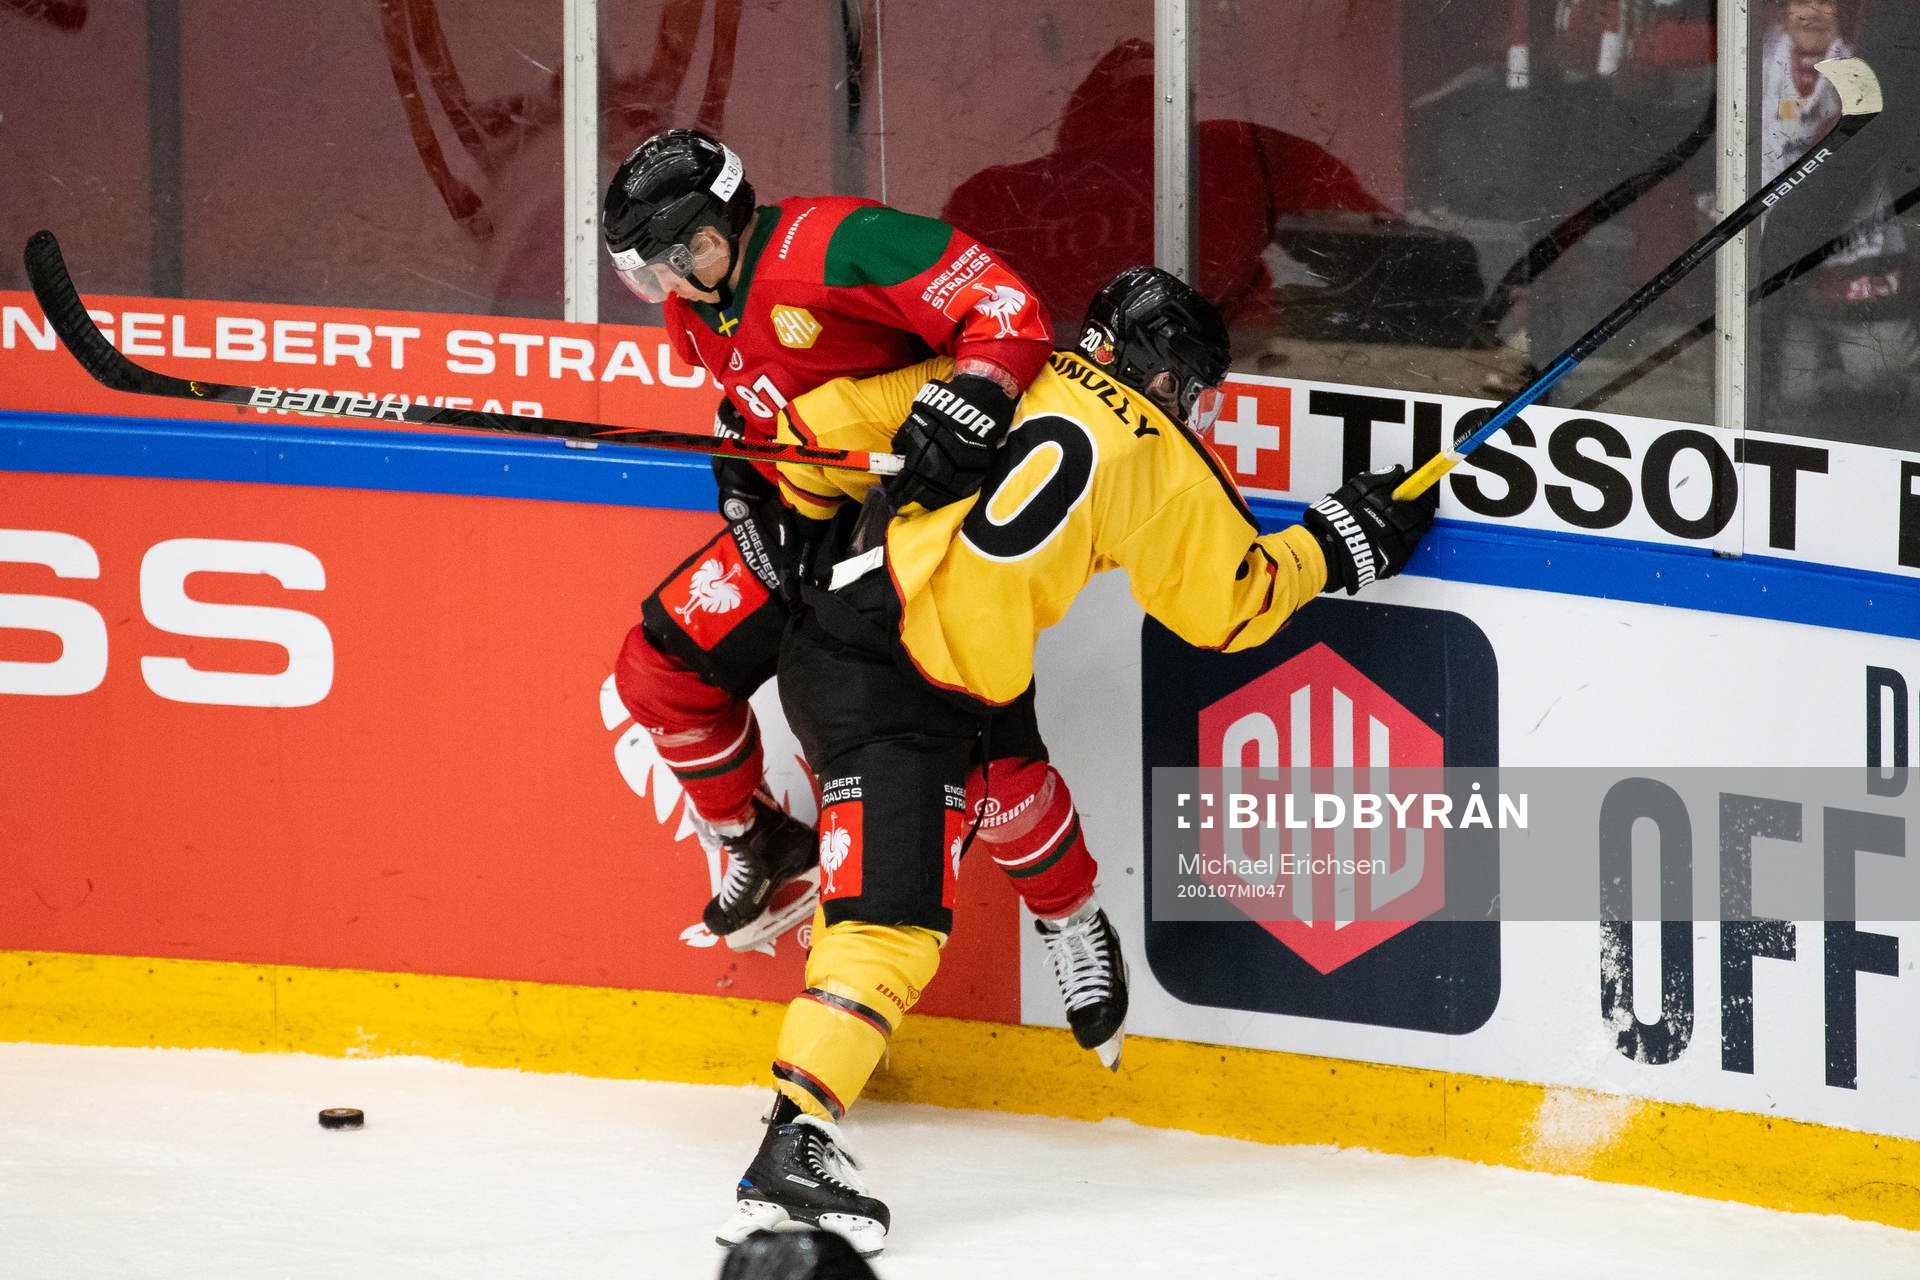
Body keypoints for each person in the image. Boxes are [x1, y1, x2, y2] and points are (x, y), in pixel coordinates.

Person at [715, 267, 1440, 1256]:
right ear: (1168, 378)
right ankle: (790, 1148)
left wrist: (774, 476)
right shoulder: (1166, 460)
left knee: (1018, 787)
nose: (1193, 410)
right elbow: (1232, 604)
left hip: (865, 637)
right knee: (891, 920)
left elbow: (813, 424)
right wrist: (1337, 544)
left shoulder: (998, 368)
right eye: (1192, 389)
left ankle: (1069, 917)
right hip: (894, 681)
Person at [601, 129, 1133, 1065]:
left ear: (728, 214)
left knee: (995, 777)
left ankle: (1073, 916)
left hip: (935, 528)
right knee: (660, 669)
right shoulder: (695, 308)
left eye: (687, 254)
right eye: (655, 273)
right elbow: (745, 407)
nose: (677, 283)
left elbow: (1008, 309)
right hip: (810, 517)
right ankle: (758, 843)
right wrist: (740, 482)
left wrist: (969, 401)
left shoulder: (838, 245)